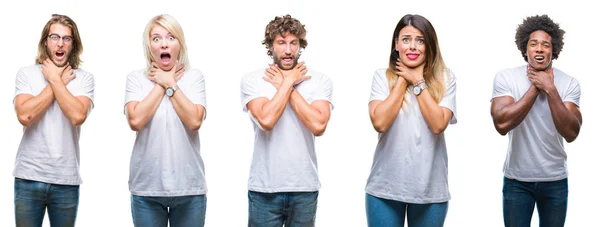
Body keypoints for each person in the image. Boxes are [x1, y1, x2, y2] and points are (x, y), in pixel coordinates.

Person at [240, 14, 333, 227]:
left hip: (304, 188)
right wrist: (289, 82)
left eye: (293, 43)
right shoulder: (253, 80)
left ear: (301, 45)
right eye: (281, 43)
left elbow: (319, 125)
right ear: (270, 46)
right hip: (265, 189)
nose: (288, 50)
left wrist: (286, 84)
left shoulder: (319, 80)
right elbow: (266, 119)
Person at [365, 14, 457, 227]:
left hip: (430, 191)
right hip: (384, 189)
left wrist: (418, 81)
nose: (413, 47)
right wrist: (402, 79)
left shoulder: (446, 78)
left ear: (429, 45)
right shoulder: (381, 77)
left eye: (420, 40)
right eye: (406, 40)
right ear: (396, 44)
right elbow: (379, 122)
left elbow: (437, 124)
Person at [490, 14, 582, 227]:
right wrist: (535, 87)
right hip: (517, 182)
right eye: (534, 44)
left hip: (555, 181)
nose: (539, 49)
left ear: (554, 50)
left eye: (545, 45)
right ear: (525, 49)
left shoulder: (568, 83)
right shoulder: (506, 78)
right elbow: (502, 124)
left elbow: (571, 132)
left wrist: (550, 88)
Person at [124, 14, 207, 227]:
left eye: (171, 37)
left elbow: (194, 121)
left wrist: (170, 82)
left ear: (180, 44)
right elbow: (135, 120)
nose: (164, 44)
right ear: (149, 45)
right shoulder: (136, 79)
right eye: (157, 38)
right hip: (146, 188)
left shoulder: (194, 77)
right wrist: (162, 83)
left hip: (189, 188)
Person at [12, 14, 94, 227]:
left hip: (66, 181)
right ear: (45, 41)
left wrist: (55, 79)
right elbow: (25, 116)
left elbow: (77, 116)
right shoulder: (27, 74)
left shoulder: (84, 78)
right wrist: (57, 82)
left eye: (67, 38)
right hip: (28, 177)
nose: (60, 43)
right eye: (55, 37)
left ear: (73, 44)